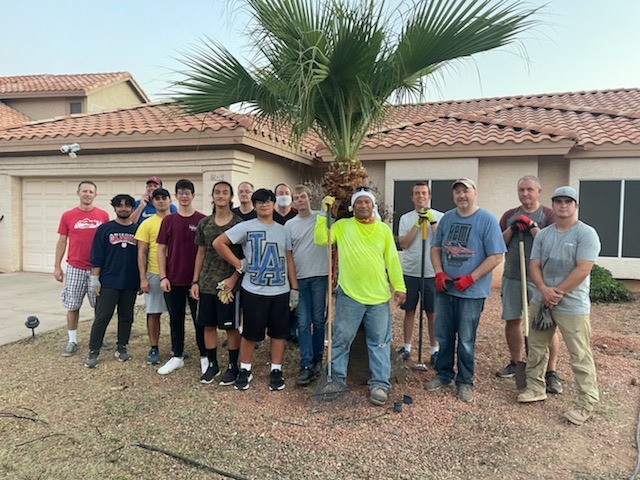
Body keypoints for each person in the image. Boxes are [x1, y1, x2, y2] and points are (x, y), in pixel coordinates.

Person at [314, 188, 406, 406]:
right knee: (341, 340)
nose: (363, 206)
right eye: (359, 203)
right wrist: (322, 213)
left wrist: (400, 287)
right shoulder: (343, 226)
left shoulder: (383, 230)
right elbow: (321, 239)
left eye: (367, 202)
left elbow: (392, 261)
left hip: (378, 298)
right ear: (352, 207)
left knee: (380, 343)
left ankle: (380, 385)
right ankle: (336, 381)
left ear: (373, 205)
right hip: (349, 296)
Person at [517, 186, 601, 426]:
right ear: (552, 205)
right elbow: (534, 264)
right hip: (541, 301)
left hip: (572, 306)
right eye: (558, 201)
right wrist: (543, 289)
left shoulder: (586, 234)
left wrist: (558, 292)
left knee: (579, 353)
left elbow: (583, 268)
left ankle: (587, 401)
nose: (563, 205)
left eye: (568, 201)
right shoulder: (544, 234)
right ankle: (535, 387)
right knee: (536, 346)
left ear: (575, 206)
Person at [424, 178, 505, 403]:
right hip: (446, 289)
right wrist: (439, 272)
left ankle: (465, 381)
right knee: (444, 336)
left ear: (474, 193)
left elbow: (497, 255)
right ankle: (444, 374)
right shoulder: (447, 218)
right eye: (457, 192)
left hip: (471, 292)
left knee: (467, 339)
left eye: (465, 191)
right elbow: (436, 248)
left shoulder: (487, 220)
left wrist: (472, 277)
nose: (461, 195)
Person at [213, 188, 299, 391]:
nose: (264, 205)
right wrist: (239, 264)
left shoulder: (283, 229)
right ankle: (245, 368)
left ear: (273, 203)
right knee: (250, 333)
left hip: (279, 290)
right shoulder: (246, 226)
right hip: (254, 290)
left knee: (279, 334)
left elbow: (289, 259)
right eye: (259, 202)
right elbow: (219, 243)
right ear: (255, 205)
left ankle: (276, 370)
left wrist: (294, 287)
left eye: (268, 201)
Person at [497, 175, 563, 394]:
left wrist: (533, 227)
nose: (525, 194)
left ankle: (550, 371)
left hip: (541, 281)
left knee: (546, 324)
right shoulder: (509, 215)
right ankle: (516, 363)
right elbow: (499, 243)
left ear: (538, 191)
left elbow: (551, 244)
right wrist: (513, 228)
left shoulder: (549, 215)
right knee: (513, 320)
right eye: (521, 190)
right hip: (513, 276)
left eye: (529, 189)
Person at [190, 181, 243, 385]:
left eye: (225, 193)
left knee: (230, 327)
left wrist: (234, 279)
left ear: (231, 197)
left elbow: (242, 257)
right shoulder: (205, 223)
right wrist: (195, 281)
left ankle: (232, 366)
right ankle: (212, 365)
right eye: (217, 192)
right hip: (206, 284)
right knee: (208, 326)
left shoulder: (239, 224)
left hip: (229, 286)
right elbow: (200, 253)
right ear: (212, 196)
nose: (221, 196)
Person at [156, 179, 207, 376]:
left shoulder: (202, 220)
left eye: (188, 192)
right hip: (173, 279)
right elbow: (161, 249)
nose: (184, 196)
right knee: (175, 319)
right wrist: (163, 277)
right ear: (175, 196)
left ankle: (205, 356)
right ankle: (177, 356)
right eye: (181, 193)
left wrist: (199, 279)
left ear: (193, 196)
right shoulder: (168, 221)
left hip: (197, 282)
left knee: (200, 320)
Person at [54, 180, 110, 357]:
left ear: (95, 195)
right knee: (73, 305)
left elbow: (107, 242)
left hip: (97, 269)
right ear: (78, 193)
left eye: (91, 192)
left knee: (99, 306)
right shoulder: (68, 216)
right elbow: (62, 241)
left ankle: (99, 338)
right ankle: (72, 340)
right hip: (75, 267)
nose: (87, 194)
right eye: (84, 191)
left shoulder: (103, 215)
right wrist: (57, 266)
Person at [84, 194, 139, 368]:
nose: (124, 208)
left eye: (127, 206)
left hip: (130, 281)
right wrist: (95, 278)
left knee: (126, 316)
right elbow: (97, 255)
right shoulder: (104, 229)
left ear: (132, 208)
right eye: (120, 205)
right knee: (102, 316)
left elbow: (142, 256)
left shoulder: (138, 229)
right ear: (114, 208)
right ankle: (94, 350)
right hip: (108, 281)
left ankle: (121, 347)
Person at [285, 185, 328, 385]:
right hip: (300, 279)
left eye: (303, 197)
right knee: (303, 323)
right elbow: (289, 257)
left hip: (320, 275)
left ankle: (318, 360)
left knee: (318, 320)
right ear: (293, 202)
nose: (300, 200)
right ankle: (306, 364)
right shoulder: (290, 225)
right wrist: (293, 285)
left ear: (310, 198)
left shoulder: (322, 217)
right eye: (297, 198)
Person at [397, 182, 443, 366]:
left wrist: (431, 221)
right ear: (412, 197)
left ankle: (434, 350)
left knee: (431, 313)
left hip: (431, 273)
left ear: (429, 196)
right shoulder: (406, 219)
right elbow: (404, 244)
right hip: (411, 271)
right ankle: (406, 348)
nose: (421, 196)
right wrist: (417, 224)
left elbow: (441, 242)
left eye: (424, 193)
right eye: (417, 193)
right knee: (409, 310)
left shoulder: (440, 216)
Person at [135, 187, 172, 365]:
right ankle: (154, 347)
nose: (161, 201)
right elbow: (141, 252)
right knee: (153, 313)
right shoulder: (147, 224)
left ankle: (177, 346)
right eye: (157, 198)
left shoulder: (177, 220)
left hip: (176, 275)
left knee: (176, 313)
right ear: (153, 202)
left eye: (164, 198)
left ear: (170, 200)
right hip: (155, 273)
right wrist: (143, 278)